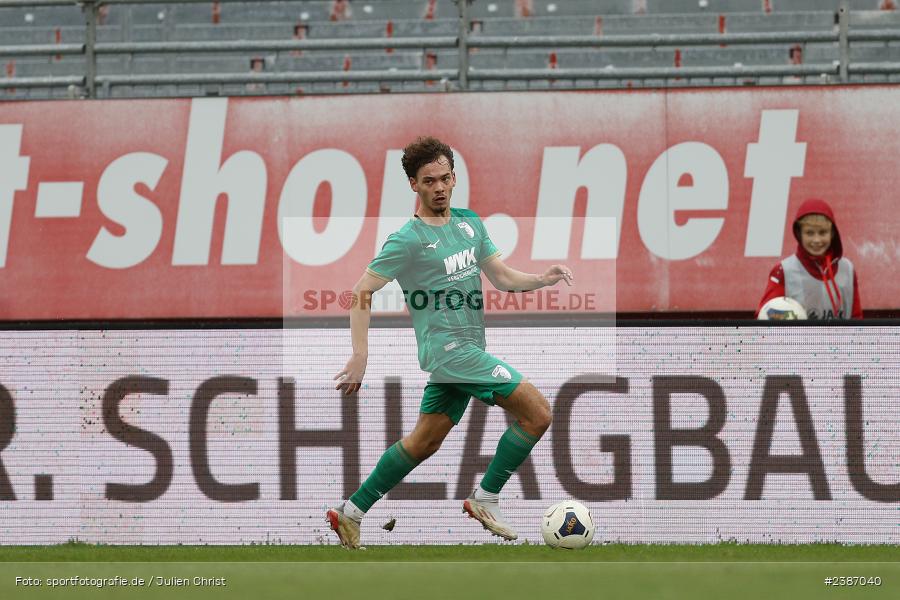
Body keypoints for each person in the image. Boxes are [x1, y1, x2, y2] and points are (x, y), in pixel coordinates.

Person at [328, 136, 574, 549]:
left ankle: (350, 512)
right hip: (450, 350)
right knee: (538, 413)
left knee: (424, 441)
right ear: (414, 185)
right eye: (429, 181)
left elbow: (501, 277)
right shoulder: (406, 239)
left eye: (445, 178)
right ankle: (486, 498)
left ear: (454, 177)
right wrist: (359, 354)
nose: (439, 187)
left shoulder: (469, 223)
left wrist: (541, 279)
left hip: (466, 349)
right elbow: (360, 292)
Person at [757, 198, 862, 319]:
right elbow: (764, 317)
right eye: (809, 233)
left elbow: (857, 318)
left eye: (822, 232)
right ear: (799, 233)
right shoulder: (783, 271)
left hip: (842, 339)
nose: (816, 240)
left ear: (832, 233)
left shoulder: (847, 269)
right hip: (798, 339)